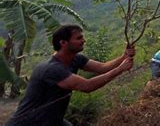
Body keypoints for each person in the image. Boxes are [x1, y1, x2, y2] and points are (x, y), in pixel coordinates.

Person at [6, 24, 135, 126]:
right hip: (30, 122)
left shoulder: (76, 59)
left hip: (52, 121)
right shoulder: (52, 69)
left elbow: (102, 67)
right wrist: (120, 69)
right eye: (79, 38)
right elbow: (87, 86)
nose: (84, 40)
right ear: (63, 43)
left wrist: (124, 56)